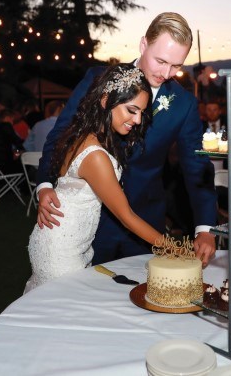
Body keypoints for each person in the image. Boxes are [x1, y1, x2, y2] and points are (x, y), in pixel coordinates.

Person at [36, 12, 217, 266]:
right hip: (90, 223)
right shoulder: (97, 80)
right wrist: (44, 184)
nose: (167, 73)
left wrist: (205, 228)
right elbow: (61, 135)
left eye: (177, 66)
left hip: (146, 222)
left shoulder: (183, 103)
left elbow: (197, 166)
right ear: (143, 45)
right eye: (161, 61)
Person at [25, 64, 164, 292]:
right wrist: (174, 248)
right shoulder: (96, 156)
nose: (138, 120)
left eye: (141, 112)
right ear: (105, 100)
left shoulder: (84, 134)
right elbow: (126, 216)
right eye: (131, 110)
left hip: (60, 239)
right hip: (62, 250)